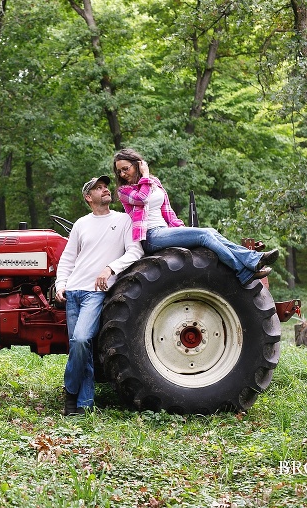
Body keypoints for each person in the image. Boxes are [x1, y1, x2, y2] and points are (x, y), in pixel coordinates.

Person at [112, 148, 278, 285]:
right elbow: (143, 198)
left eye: (125, 168)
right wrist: (145, 176)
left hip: (164, 230)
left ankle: (252, 260)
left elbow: (167, 211)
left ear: (137, 165)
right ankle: (243, 269)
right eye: (119, 171)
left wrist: (182, 229)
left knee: (210, 231)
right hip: (150, 236)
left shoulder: (154, 182)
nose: (122, 174)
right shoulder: (124, 191)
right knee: (204, 235)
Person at [55, 175, 144, 416]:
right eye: (99, 188)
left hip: (96, 292)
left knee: (82, 340)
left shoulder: (123, 220)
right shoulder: (81, 224)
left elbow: (135, 251)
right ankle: (82, 405)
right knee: (78, 348)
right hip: (74, 291)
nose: (105, 190)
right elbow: (68, 257)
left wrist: (110, 268)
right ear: (88, 197)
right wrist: (61, 283)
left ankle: (70, 391)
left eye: (106, 187)